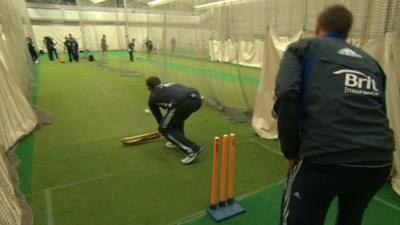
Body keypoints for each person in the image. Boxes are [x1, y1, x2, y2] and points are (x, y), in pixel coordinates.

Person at [273, 5, 394, 225]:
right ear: (346, 33)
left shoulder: (303, 48)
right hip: (378, 162)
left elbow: (287, 94)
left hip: (324, 159)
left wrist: (291, 151)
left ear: (318, 27)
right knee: (351, 218)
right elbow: (378, 110)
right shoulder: (371, 62)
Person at [146, 76, 204, 164]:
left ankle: (192, 149)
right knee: (176, 119)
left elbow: (158, 116)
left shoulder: (152, 98)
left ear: (149, 88)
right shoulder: (170, 84)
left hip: (183, 103)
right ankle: (177, 141)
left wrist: (163, 130)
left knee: (164, 128)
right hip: (197, 99)